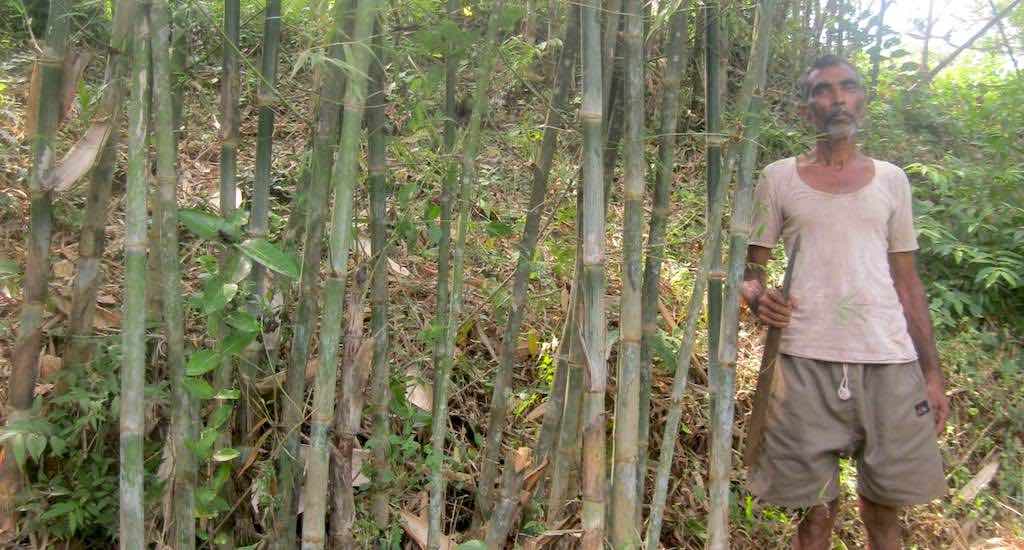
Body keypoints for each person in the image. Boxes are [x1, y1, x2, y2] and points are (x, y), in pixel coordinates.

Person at [741, 55, 949, 550]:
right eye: (823, 90)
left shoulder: (892, 180)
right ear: (804, 107)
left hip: (888, 361)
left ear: (862, 100)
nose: (837, 99)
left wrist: (933, 373)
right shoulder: (778, 178)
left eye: (847, 87)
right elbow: (752, 272)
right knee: (814, 516)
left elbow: (908, 283)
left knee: (883, 513)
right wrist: (755, 298)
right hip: (804, 361)